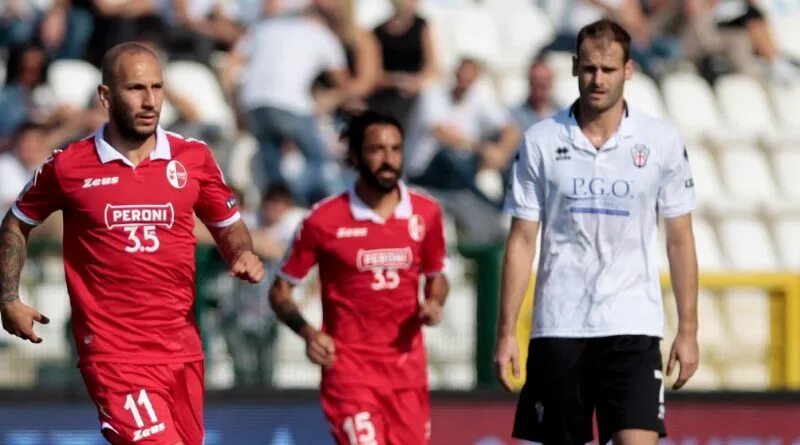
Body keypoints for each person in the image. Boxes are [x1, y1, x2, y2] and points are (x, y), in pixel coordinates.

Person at [0, 42, 264, 445]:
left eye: (157, 88)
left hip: (181, 350)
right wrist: (8, 298)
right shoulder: (69, 165)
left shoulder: (192, 157)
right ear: (106, 96)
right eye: (136, 88)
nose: (150, 101)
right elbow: (17, 223)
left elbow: (227, 223)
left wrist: (241, 252)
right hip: (114, 355)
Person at [493, 19, 699, 445]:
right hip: (560, 325)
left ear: (629, 71)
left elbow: (679, 238)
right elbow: (521, 240)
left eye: (607, 69)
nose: (597, 80)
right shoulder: (541, 141)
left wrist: (689, 330)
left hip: (632, 324)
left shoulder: (660, 141)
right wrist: (505, 332)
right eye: (588, 69)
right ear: (574, 68)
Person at [269, 111, 449, 445]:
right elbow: (280, 291)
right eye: (377, 150)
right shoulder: (323, 220)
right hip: (350, 373)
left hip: (407, 376)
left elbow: (437, 276)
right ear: (354, 156)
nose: (388, 159)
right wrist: (308, 333)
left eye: (396, 149)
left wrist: (434, 302)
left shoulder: (427, 213)